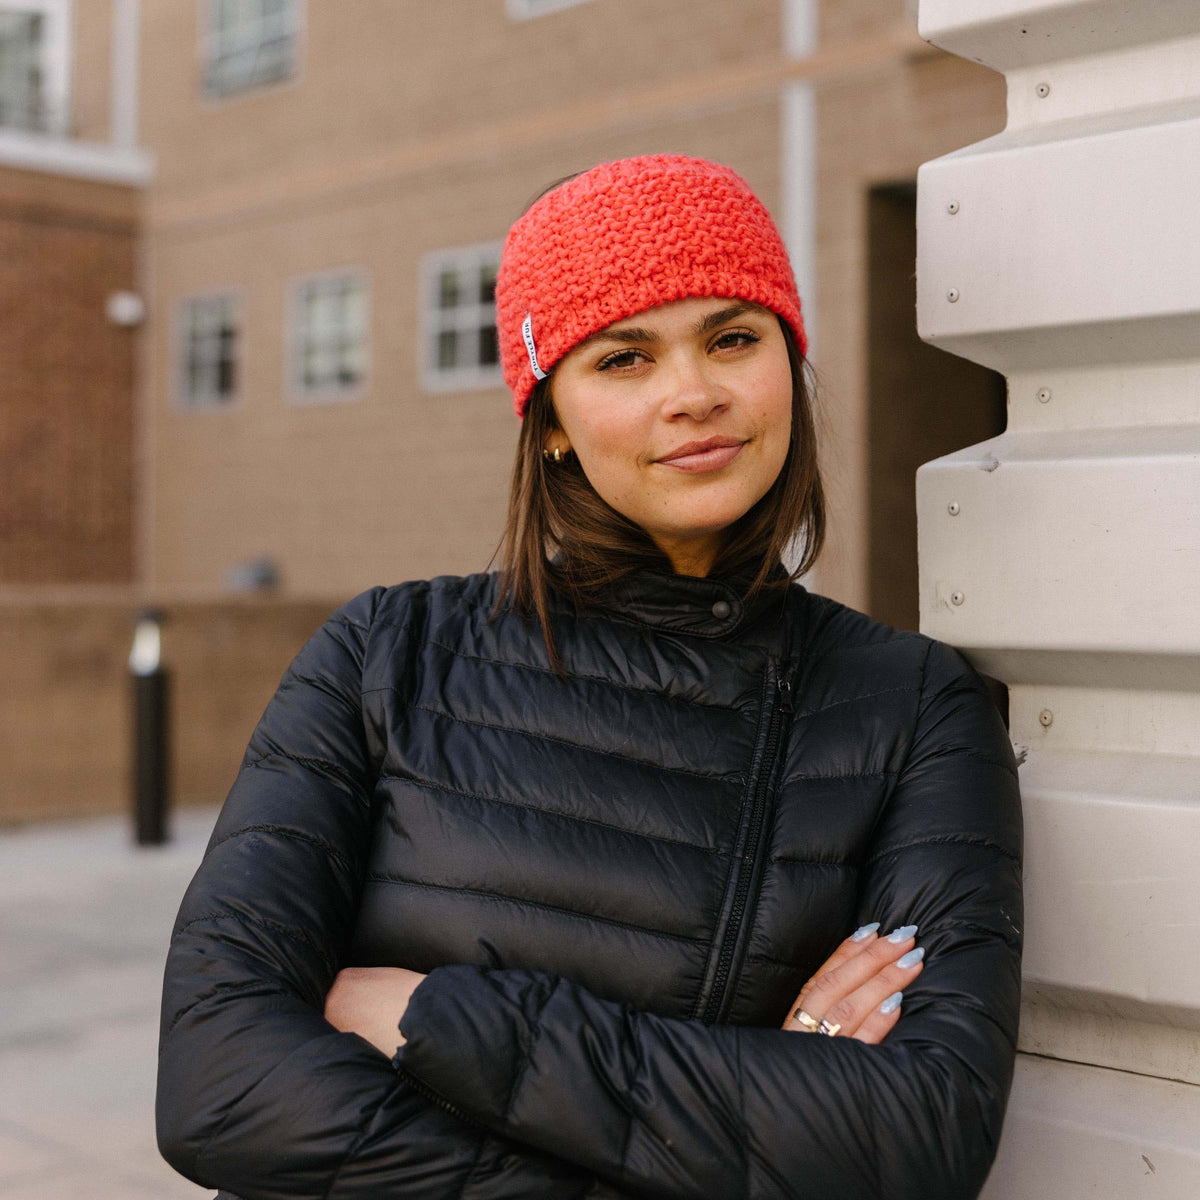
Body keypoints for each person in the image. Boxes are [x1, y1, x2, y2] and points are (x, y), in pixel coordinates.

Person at [157, 155, 1022, 1200]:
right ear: (553, 421)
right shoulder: (385, 654)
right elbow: (221, 1085)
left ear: (787, 366)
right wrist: (746, 1123)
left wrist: (447, 1023)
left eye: (734, 339)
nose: (694, 395)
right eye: (624, 359)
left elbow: (922, 1135)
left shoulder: (912, 704)